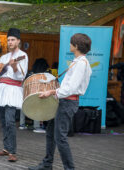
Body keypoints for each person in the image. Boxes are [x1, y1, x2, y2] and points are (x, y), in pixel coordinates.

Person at [29, 33, 92, 170]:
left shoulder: (81, 64)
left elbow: (71, 89)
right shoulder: (77, 62)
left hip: (68, 103)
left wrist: (51, 92)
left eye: (71, 43)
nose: (69, 45)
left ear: (76, 46)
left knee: (60, 138)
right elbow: (66, 86)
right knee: (51, 133)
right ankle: (47, 164)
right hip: (62, 102)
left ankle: (69, 168)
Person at [0, 28, 28, 162]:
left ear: (18, 41)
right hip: (1, 89)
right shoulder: (4, 57)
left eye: (12, 40)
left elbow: (21, 76)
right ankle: (6, 148)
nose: (10, 42)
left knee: (10, 121)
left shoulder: (23, 55)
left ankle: (12, 151)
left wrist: (15, 66)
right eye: (8, 40)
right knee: (3, 120)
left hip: (13, 90)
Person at [19, 58, 49, 133]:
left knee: (23, 104)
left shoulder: (29, 73)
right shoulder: (43, 75)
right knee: (38, 103)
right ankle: (37, 126)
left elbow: (23, 85)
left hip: (25, 96)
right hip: (35, 97)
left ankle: (22, 124)